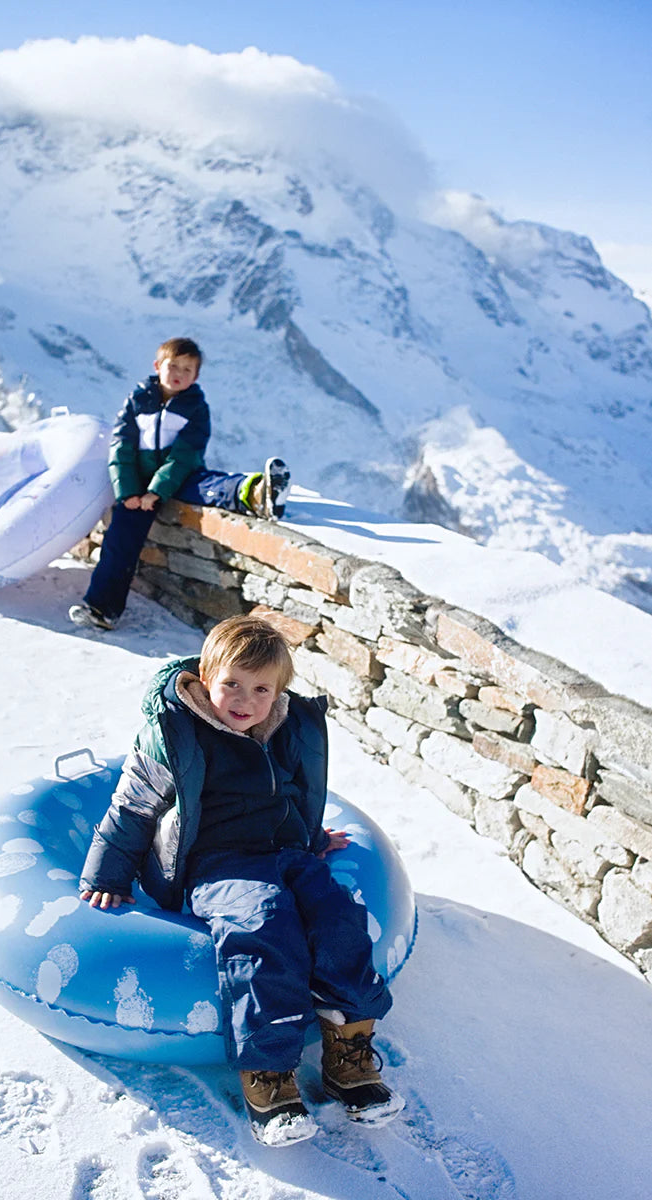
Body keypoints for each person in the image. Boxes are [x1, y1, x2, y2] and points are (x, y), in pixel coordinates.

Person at [79, 615, 404, 1146]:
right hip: (218, 863)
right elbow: (134, 805)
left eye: (261, 688)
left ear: (278, 692)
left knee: (338, 916)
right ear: (206, 675)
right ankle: (269, 1077)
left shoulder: (281, 727)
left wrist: (313, 835)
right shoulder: (177, 731)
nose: (244, 700)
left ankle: (349, 1051)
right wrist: (109, 873)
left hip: (284, 852)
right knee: (265, 925)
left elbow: (290, 794)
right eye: (231, 682)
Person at [68, 337, 290, 631]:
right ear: (158, 366)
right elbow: (121, 446)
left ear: (196, 376)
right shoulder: (138, 401)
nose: (179, 374)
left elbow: (185, 453)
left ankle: (259, 493)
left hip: (182, 476)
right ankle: (102, 608)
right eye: (173, 366)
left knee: (211, 488)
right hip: (138, 485)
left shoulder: (196, 407)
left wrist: (157, 491)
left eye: (187, 370)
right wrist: (130, 492)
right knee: (120, 539)